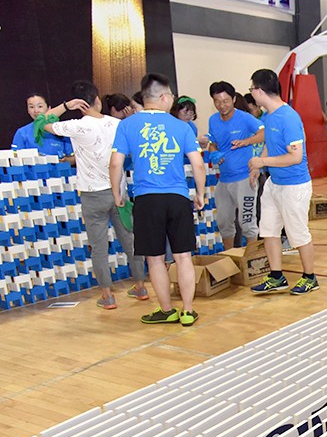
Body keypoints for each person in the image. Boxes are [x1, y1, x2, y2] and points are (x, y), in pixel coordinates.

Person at [109, 72, 205, 326]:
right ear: (163, 97)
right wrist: (201, 193)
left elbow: (116, 163)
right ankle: (187, 310)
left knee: (155, 258)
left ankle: (166, 309)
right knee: (183, 255)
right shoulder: (181, 126)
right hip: (177, 197)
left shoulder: (127, 125)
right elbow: (198, 164)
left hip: (146, 199)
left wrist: (116, 192)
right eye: (171, 95)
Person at [44, 80, 147, 310]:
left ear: (78, 105)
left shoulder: (76, 126)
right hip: (118, 191)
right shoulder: (117, 124)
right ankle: (140, 286)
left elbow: (43, 122)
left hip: (92, 195)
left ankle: (108, 296)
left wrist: (63, 106)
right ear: (97, 99)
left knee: (99, 247)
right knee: (130, 242)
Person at [246, 68, 318, 297]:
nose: (251, 93)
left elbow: (296, 157)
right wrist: (260, 168)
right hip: (274, 184)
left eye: (251, 89)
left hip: (294, 186)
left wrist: (262, 160)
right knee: (268, 230)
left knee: (298, 234)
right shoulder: (269, 116)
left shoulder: (288, 117)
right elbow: (271, 143)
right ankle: (276, 276)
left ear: (259, 91)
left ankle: (310, 277)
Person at [206, 80, 263, 250]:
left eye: (225, 101)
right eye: (217, 101)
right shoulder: (213, 120)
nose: (221, 105)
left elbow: (264, 133)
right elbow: (212, 142)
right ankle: (230, 260)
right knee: (224, 222)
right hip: (224, 180)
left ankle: (254, 261)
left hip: (244, 178)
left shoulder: (245, 118)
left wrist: (246, 141)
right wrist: (214, 152)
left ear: (233, 99)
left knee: (246, 222)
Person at [11, 92, 75, 159]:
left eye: (40, 106)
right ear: (28, 110)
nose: (36, 111)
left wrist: (64, 160)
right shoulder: (22, 133)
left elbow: (74, 158)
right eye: (31, 107)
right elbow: (14, 157)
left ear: (49, 108)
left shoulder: (61, 129)